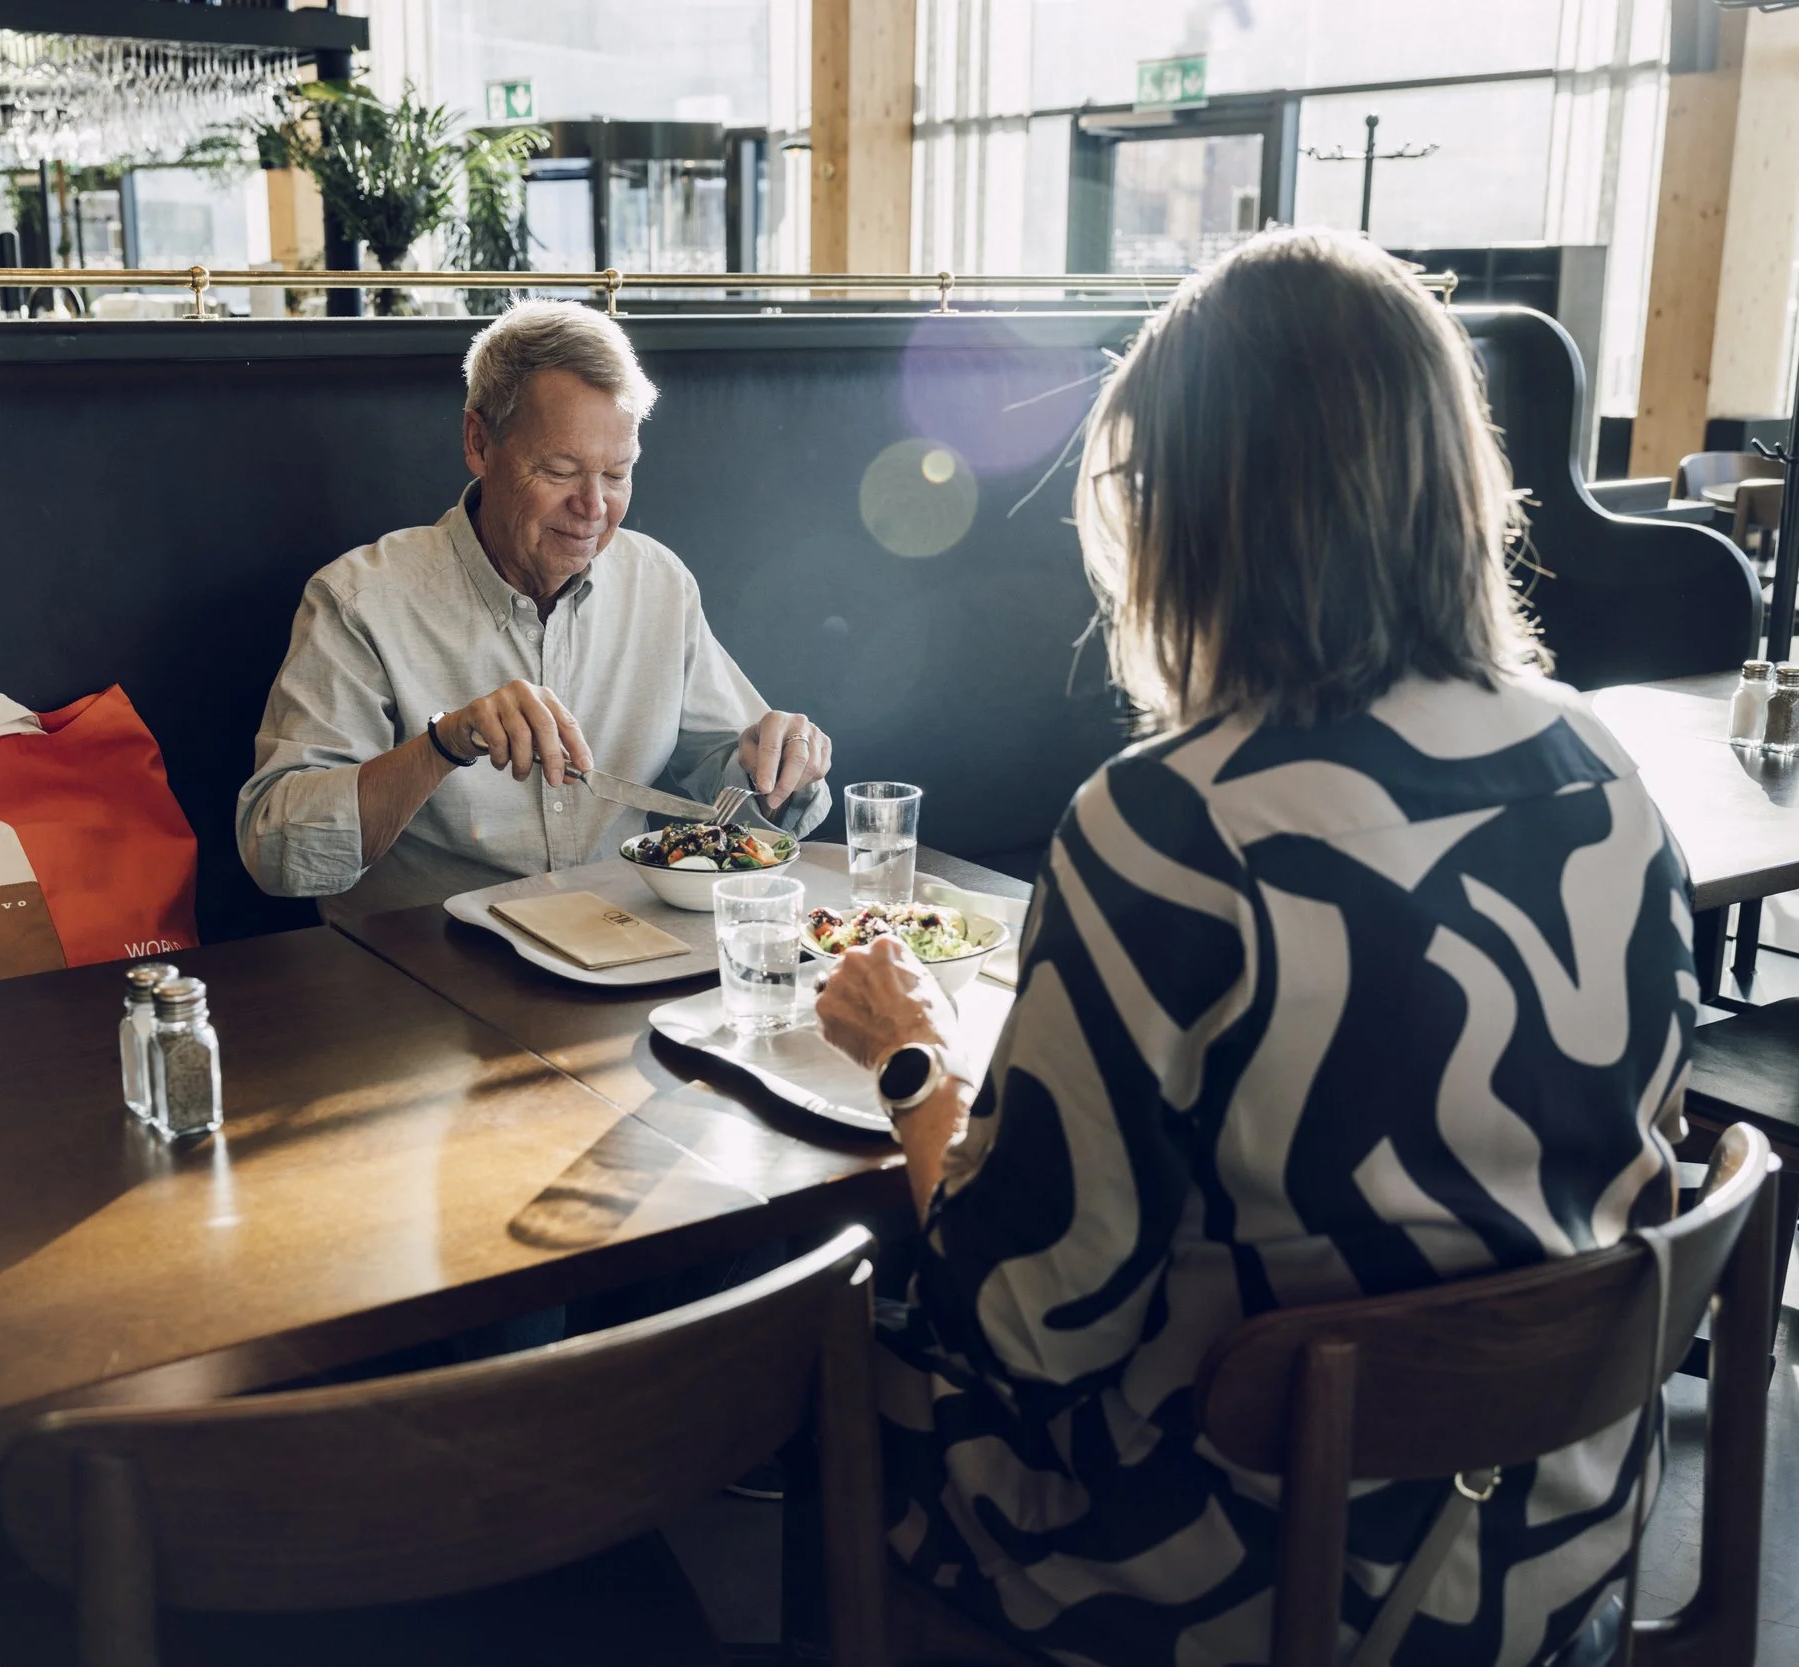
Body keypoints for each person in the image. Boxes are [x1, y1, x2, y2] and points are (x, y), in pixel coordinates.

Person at [814, 229, 1697, 1667]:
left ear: (1194, 505)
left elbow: (1024, 1324)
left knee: (844, 1366)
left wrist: (916, 1062)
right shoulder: (1600, 769)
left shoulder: (1169, 827)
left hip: (1261, 1580)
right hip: (1556, 1535)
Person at [239, 300, 833, 919]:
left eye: (617, 473)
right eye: (559, 470)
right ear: (479, 443)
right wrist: (443, 745)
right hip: (432, 967)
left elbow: (730, 783)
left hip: (625, 944)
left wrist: (774, 762)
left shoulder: (658, 583)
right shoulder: (360, 602)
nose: (594, 506)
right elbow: (274, 850)